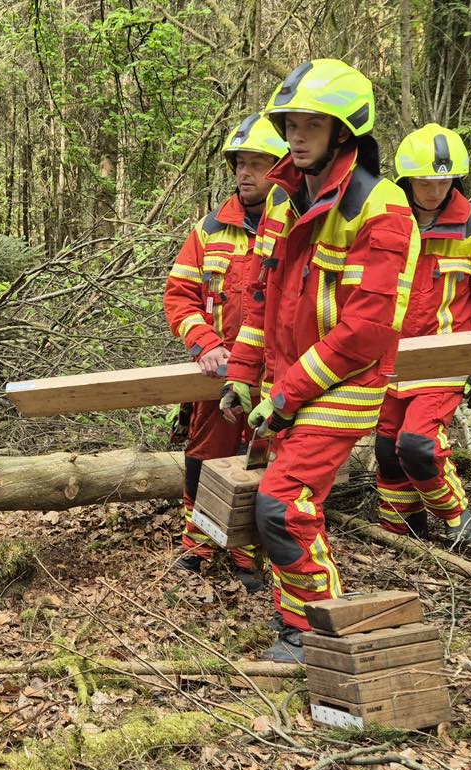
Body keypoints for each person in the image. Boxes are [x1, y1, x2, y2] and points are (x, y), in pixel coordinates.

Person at [222, 59, 419, 663]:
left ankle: (315, 631)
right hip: (290, 378)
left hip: (348, 382)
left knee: (281, 503)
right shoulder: (286, 198)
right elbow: (263, 297)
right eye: (290, 123)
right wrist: (242, 377)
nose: (297, 136)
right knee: (281, 508)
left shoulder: (381, 208)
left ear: (344, 130)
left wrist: (290, 392)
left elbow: (366, 330)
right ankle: (297, 621)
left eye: (312, 124)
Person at [373, 124, 471, 542]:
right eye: (424, 182)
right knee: (387, 450)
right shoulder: (386, 222)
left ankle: (456, 514)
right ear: (407, 179)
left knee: (417, 444)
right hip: (391, 359)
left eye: (443, 181)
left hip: (446, 359)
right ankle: (400, 532)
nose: (434, 190)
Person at [164, 112, 287, 591]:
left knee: (261, 462)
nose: (246, 173)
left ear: (282, 169)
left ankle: (244, 552)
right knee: (205, 457)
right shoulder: (210, 229)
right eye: (240, 163)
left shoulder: (299, 228)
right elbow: (179, 296)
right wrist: (204, 344)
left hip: (278, 377)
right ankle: (197, 544)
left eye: (258, 162)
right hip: (217, 375)